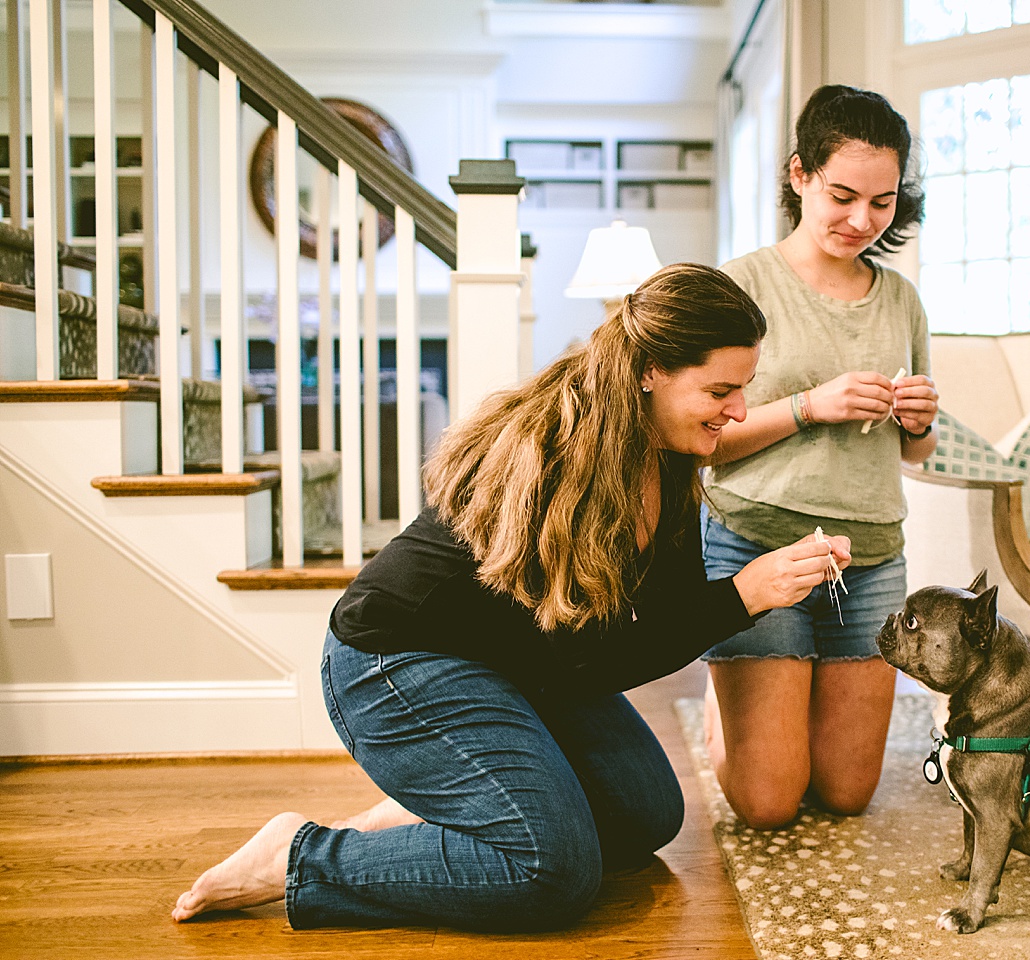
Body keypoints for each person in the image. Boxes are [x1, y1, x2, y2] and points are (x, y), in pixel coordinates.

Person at [170, 263, 852, 931]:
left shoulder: (671, 457)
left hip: (517, 663)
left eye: (744, 389)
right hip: (396, 660)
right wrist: (741, 597)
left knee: (646, 815)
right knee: (550, 872)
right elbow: (592, 661)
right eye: (720, 392)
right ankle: (301, 855)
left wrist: (754, 589)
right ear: (651, 371)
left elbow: (651, 625)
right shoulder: (558, 453)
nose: (737, 412)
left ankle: (452, 805)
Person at [702, 85, 938, 830]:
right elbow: (702, 443)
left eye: (882, 202)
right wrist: (811, 406)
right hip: (756, 545)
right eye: (842, 195)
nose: (862, 220)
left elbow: (918, 454)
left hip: (868, 558)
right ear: (799, 174)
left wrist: (924, 421)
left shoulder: (901, 298)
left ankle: (762, 697)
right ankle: (728, 696)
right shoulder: (739, 285)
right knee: (770, 804)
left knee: (844, 795)